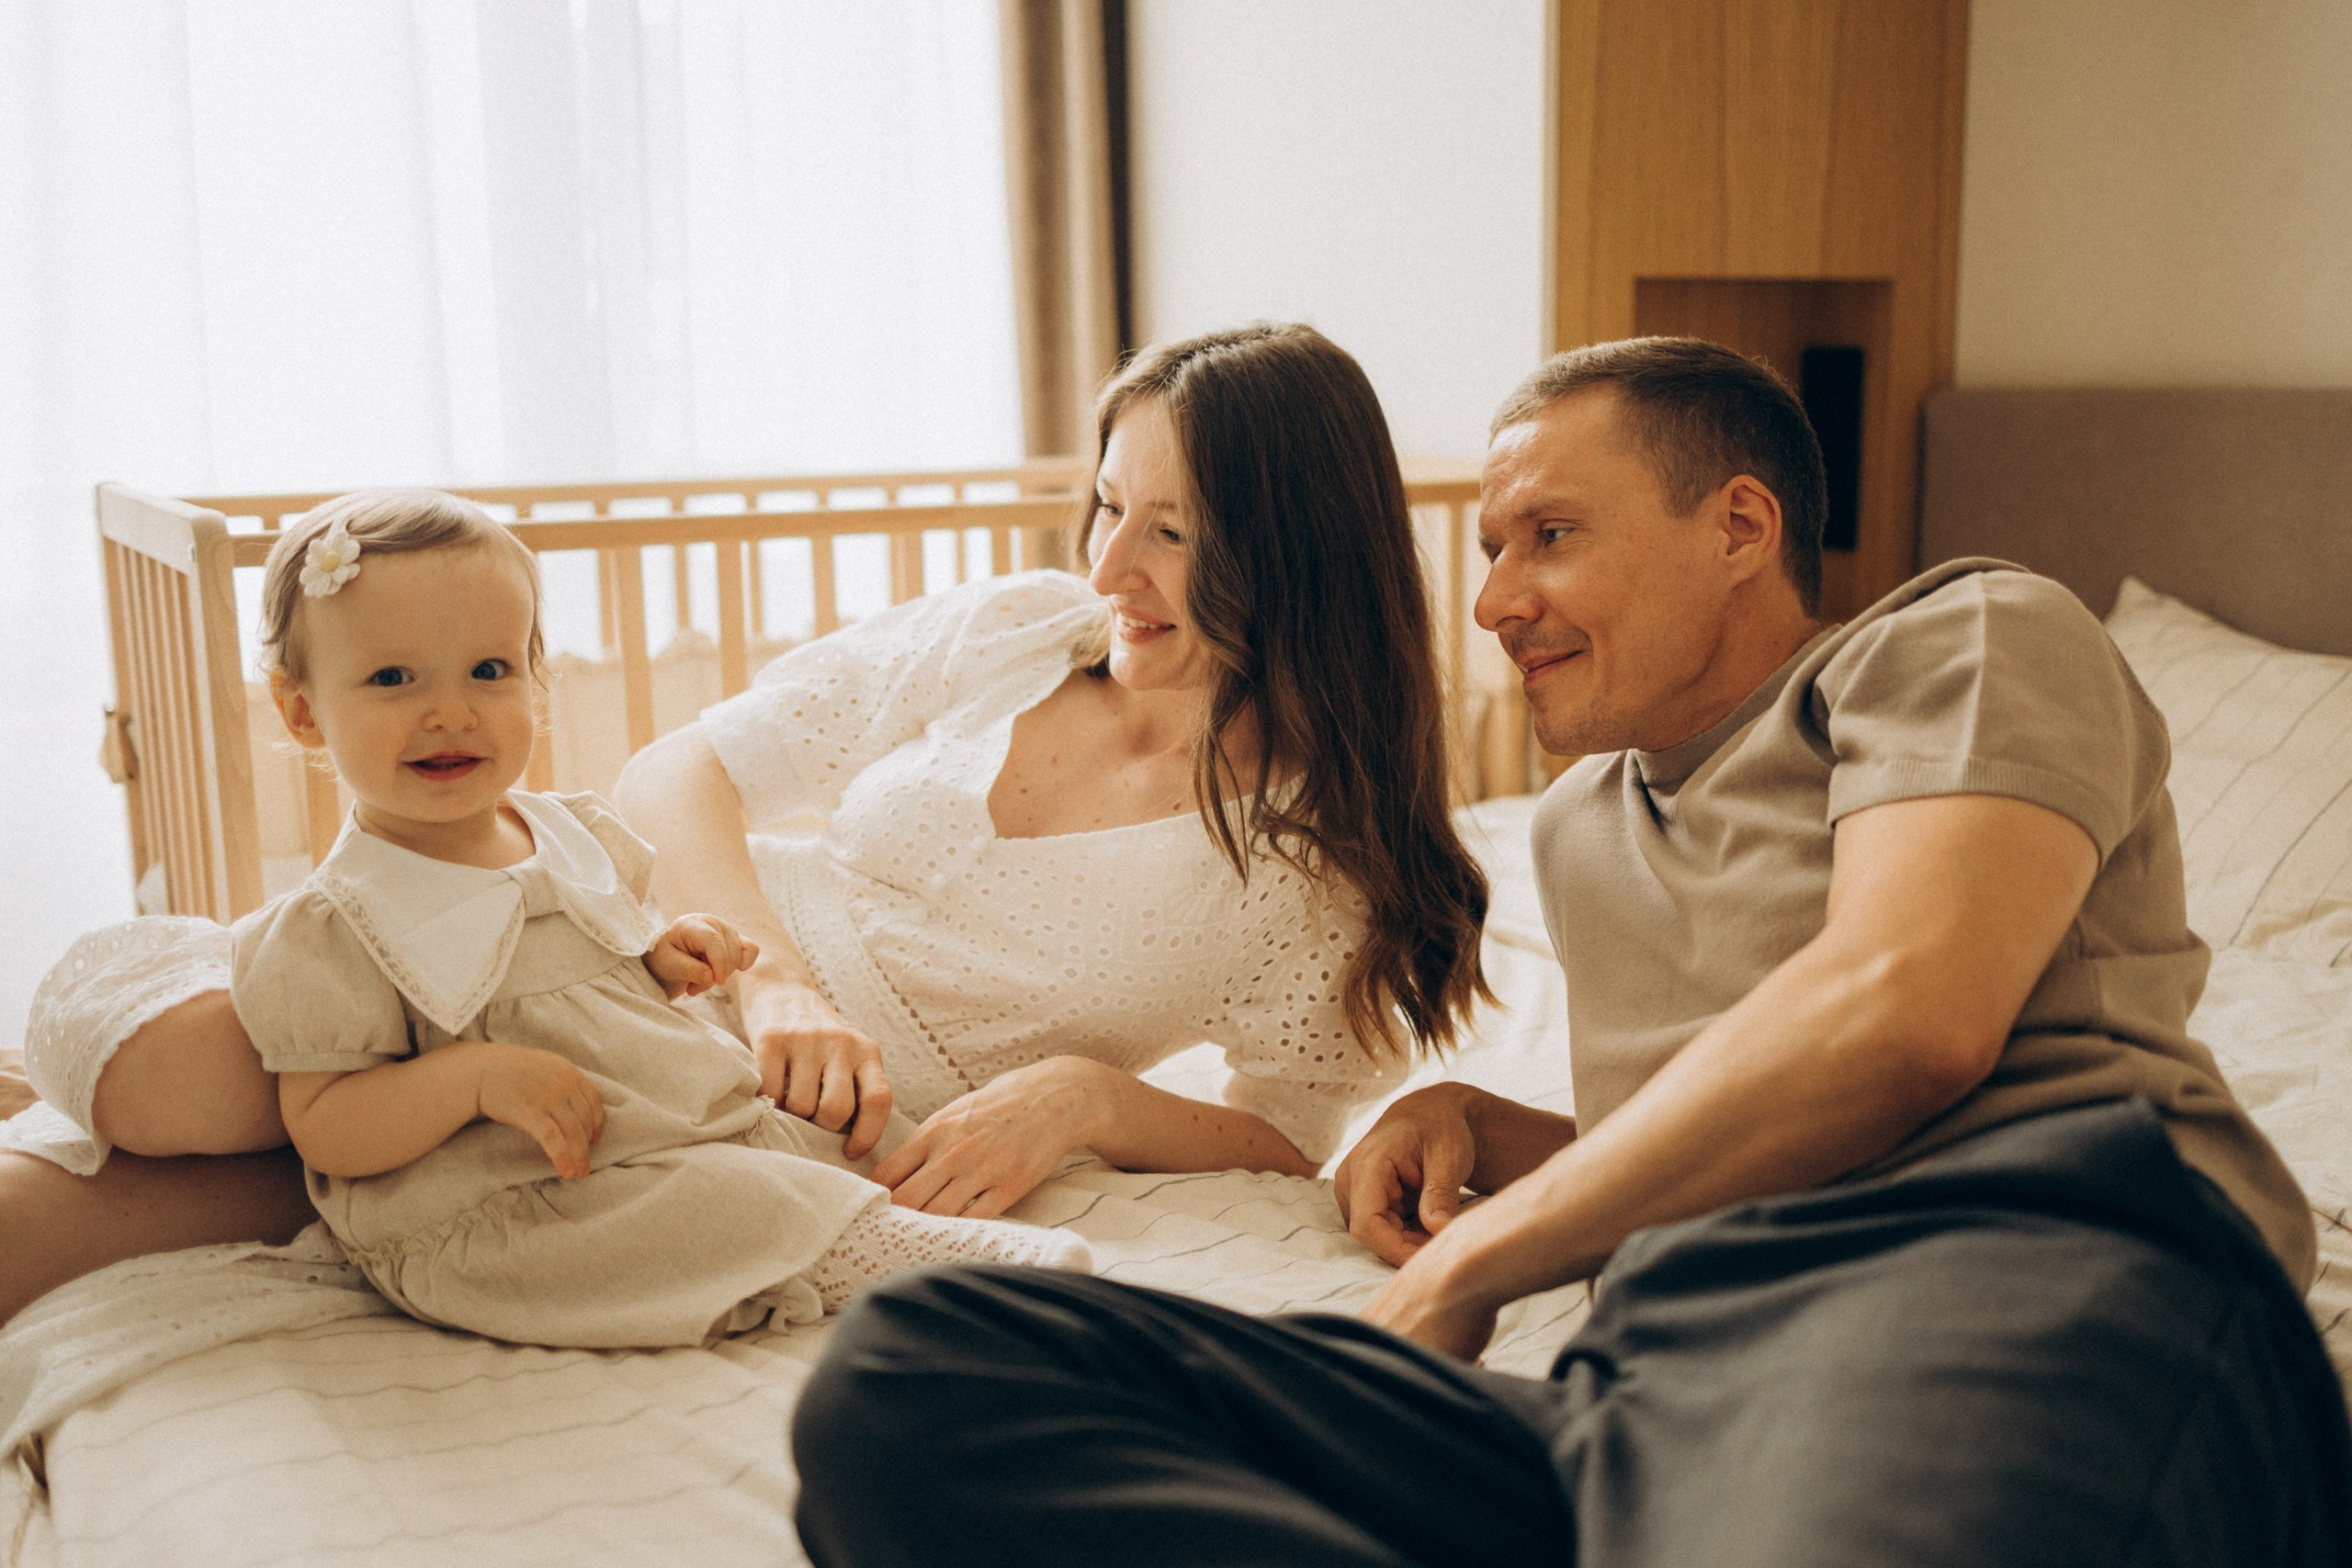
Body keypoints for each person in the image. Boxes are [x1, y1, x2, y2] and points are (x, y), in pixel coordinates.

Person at [790, 338, 2352, 1567]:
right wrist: (1499, 1136)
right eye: (1484, 548)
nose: (1488, 600)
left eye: (1547, 535)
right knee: (918, 1372)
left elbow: (1902, 1019)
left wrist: (1484, 1249)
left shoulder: (1959, 638)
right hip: (1645, 1390)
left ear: (1741, 524)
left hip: (2006, 1284)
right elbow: (1733, 1121)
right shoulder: (1585, 817)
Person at [0, 322, 1490, 1324]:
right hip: (636, 952)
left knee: (141, 1185)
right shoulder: (1020, 632)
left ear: (1292, 547)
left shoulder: (1322, 862)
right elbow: (678, 778)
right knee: (161, 1068)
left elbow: (1293, 1128)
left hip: (717, 1118)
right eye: (1107, 505)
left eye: (1174, 531)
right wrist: (773, 975)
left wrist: (1085, 1098)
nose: (1114, 562)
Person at [244, 490, 1085, 1347]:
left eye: (489, 671)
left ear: (535, 683)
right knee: (692, 1201)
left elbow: (594, 961)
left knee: (809, 1126)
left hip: (659, 1121)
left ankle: (868, 1221)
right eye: (393, 678)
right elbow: (326, 1123)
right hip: (527, 1192)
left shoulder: (570, 831)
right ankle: (872, 1249)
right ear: (302, 708)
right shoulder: (339, 919)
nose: (451, 711)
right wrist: (474, 1078)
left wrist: (662, 956)